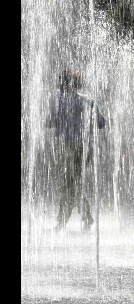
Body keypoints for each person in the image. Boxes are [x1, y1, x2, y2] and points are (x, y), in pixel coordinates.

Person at [46, 69, 106, 231]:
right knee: (75, 182)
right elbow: (101, 123)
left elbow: (49, 123)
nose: (57, 84)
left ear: (63, 84)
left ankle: (63, 222)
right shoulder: (88, 101)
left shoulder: (57, 100)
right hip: (86, 148)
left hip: (69, 147)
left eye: (60, 81)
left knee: (69, 183)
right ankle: (85, 217)